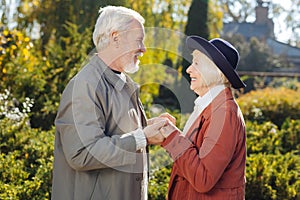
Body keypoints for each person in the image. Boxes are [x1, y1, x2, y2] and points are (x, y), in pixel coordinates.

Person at [51, 6, 166, 200]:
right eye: (139, 40)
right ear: (115, 38)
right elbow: (82, 153)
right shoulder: (85, 86)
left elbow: (120, 132)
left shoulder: (122, 82)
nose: (144, 48)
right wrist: (141, 137)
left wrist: (148, 128)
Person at [155, 36, 247, 199]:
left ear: (214, 70)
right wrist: (170, 133)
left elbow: (203, 178)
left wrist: (172, 136)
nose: (189, 69)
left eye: (196, 63)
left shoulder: (224, 113)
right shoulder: (210, 107)